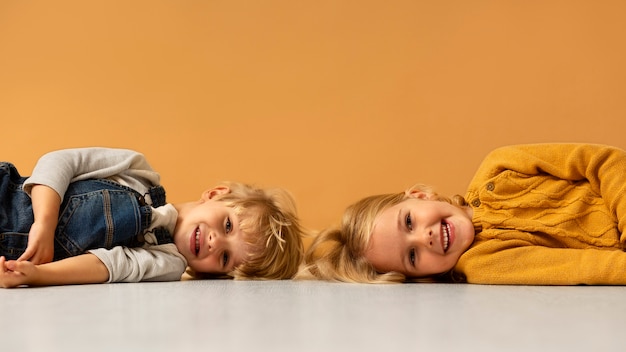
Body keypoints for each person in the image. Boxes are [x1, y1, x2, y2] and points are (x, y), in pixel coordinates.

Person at [297, 143, 626, 285]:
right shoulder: (483, 264)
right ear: (422, 277)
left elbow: (601, 161)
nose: (422, 238)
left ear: (419, 195)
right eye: (411, 256)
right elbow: (583, 267)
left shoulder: (500, 166)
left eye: (409, 222)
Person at [0, 147, 304, 288]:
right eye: (227, 225)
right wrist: (45, 222)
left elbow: (107, 266)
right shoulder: (138, 172)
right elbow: (59, 162)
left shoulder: (167, 263)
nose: (214, 242)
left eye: (225, 258)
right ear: (215, 194)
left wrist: (38, 275)